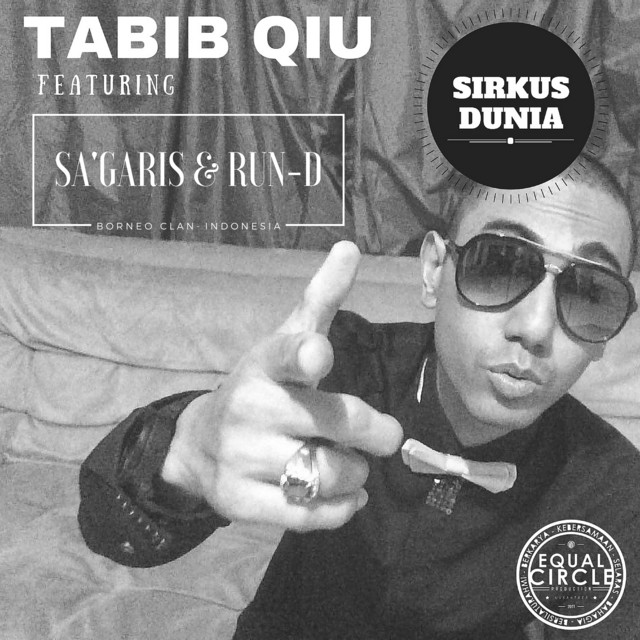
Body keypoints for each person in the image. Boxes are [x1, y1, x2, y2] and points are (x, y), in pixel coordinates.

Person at [78, 157, 640, 639]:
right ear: (434, 270)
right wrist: (184, 454)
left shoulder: (611, 488)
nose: (536, 328)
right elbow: (108, 527)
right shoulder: (341, 367)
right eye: (500, 264)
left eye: (590, 293)